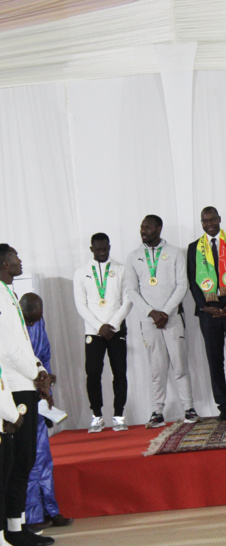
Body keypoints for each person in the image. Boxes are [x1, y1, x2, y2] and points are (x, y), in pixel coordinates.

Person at [0, 245, 54, 546]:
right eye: (16, 258)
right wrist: (37, 374)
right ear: (5, 263)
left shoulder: (8, 292)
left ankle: (17, 525)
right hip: (13, 386)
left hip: (26, 380)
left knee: (26, 458)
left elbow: (23, 344)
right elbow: (7, 349)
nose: (21, 262)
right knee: (17, 461)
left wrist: (39, 369)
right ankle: (11, 530)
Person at [124, 216, 198, 428]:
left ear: (158, 228)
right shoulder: (134, 257)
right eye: (141, 227)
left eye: (147, 227)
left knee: (180, 364)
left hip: (172, 318)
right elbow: (131, 290)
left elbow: (182, 285)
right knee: (157, 367)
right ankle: (157, 411)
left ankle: (189, 408)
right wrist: (151, 313)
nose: (143, 230)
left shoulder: (174, 252)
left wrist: (165, 312)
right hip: (149, 321)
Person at [187, 207, 226, 420]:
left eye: (213, 219)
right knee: (215, 361)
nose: (210, 223)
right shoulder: (194, 248)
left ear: (219, 219)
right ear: (201, 223)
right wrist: (204, 307)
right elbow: (193, 283)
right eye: (205, 220)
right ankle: (223, 407)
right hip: (209, 313)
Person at [19, 295, 72, 533]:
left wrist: (48, 378)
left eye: (39, 317)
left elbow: (45, 354)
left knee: (44, 458)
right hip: (21, 397)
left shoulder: (39, 321)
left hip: (41, 397)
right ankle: (32, 516)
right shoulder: (12, 325)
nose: (36, 322)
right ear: (22, 313)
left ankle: (51, 511)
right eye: (32, 318)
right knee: (29, 459)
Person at [72, 233, 132, 433]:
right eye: (98, 249)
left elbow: (128, 300)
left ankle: (118, 416)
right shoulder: (81, 273)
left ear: (109, 246)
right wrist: (99, 326)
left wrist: (112, 325)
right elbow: (81, 305)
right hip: (93, 331)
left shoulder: (121, 270)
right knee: (93, 374)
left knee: (120, 373)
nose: (102, 253)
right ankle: (97, 416)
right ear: (91, 249)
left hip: (116, 330)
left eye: (105, 249)